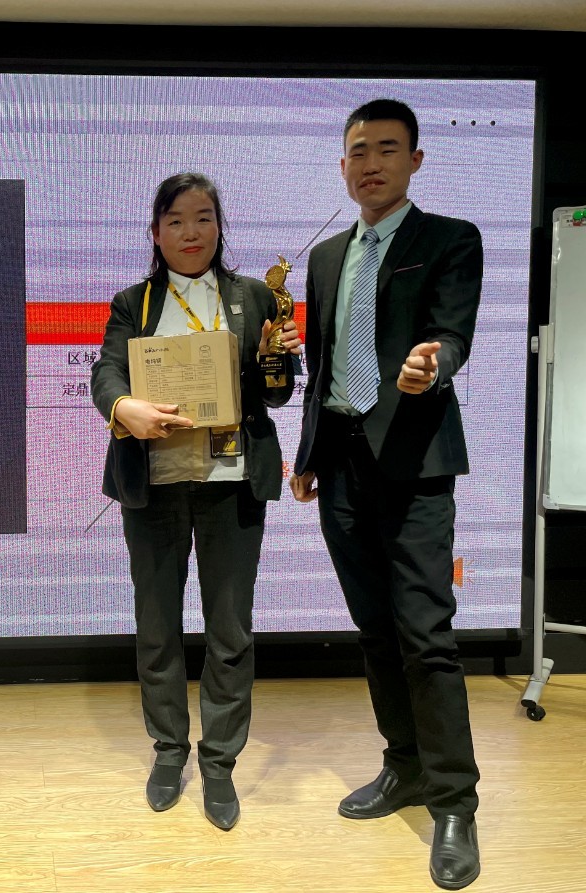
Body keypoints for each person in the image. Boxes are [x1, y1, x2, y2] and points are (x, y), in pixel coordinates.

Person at [289, 99, 482, 889]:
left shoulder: (449, 239)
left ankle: (455, 803)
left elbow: (452, 334)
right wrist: (309, 455)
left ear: (415, 160)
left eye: (388, 149)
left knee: (426, 637)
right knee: (374, 632)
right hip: (341, 466)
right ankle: (404, 766)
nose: (372, 163)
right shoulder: (327, 256)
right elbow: (322, 363)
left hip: (415, 463)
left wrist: (431, 365)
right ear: (343, 165)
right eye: (359, 151)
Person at [91, 172, 301, 830]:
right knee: (157, 625)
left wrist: (276, 358)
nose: (191, 232)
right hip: (154, 482)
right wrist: (123, 406)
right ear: (156, 233)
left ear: (219, 226)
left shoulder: (254, 297)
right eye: (176, 220)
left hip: (231, 482)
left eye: (204, 218)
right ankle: (167, 750)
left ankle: (219, 761)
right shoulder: (134, 302)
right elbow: (106, 370)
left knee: (229, 628)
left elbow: (275, 393)